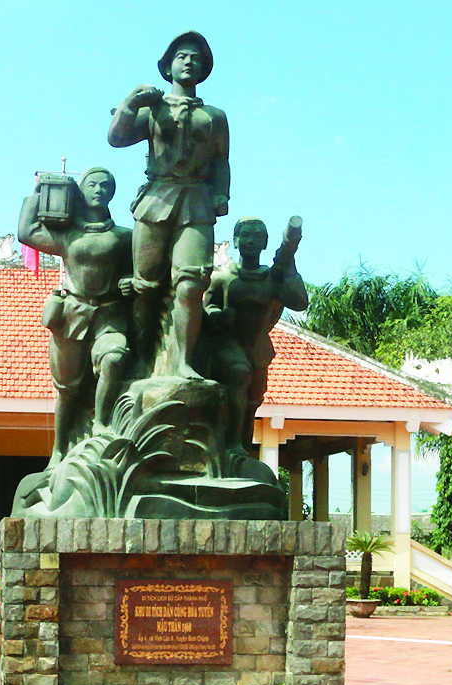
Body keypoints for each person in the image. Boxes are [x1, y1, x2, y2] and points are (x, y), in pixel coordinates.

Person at [108, 31, 229, 379]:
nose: (188, 61)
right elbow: (117, 138)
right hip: (157, 199)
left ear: (204, 67)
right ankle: (142, 359)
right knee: (145, 286)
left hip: (196, 202)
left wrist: (222, 194)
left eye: (195, 57)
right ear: (168, 67)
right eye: (181, 56)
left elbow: (222, 161)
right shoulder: (154, 109)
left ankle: (185, 362)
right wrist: (132, 102)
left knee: (191, 283)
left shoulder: (215, 116)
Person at [17, 167, 133, 460]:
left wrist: (129, 282)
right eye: (92, 184)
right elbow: (26, 231)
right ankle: (59, 449)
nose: (99, 190)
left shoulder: (123, 238)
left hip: (109, 315)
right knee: (67, 389)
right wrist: (38, 193)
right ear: (80, 191)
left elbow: (140, 270)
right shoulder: (68, 235)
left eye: (106, 186)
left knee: (115, 357)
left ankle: (102, 422)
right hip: (72, 316)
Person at [202, 215, 307, 450]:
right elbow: (207, 307)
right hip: (227, 344)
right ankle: (231, 445)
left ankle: (242, 447)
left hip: (257, 347)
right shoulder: (222, 277)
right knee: (238, 375)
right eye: (245, 235)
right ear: (235, 241)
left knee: (252, 402)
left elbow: (300, 302)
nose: (251, 240)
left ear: (266, 243)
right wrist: (218, 316)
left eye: (257, 236)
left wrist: (289, 267)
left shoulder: (272, 278)